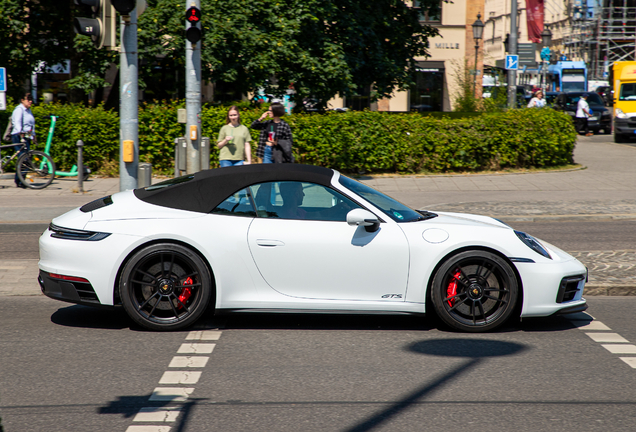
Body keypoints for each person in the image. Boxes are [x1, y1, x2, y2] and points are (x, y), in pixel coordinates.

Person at [10, 93, 36, 188]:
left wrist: (33, 136)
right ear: (22, 100)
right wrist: (21, 134)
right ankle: (20, 181)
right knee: (23, 159)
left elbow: (31, 124)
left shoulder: (28, 110)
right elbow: (17, 123)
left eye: (31, 99)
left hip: (26, 137)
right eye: (28, 99)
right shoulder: (19, 109)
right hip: (18, 136)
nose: (30, 101)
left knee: (27, 159)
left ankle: (21, 180)